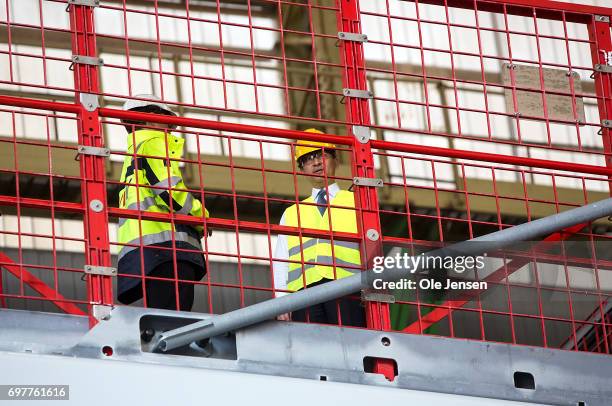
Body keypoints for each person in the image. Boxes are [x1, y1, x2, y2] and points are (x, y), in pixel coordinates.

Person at [116, 94, 209, 311]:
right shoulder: (153, 142)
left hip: (145, 251)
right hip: (167, 249)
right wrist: (201, 216)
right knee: (174, 321)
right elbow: (168, 190)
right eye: (165, 119)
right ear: (148, 119)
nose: (170, 126)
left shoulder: (132, 154)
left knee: (161, 315)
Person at [273, 129, 365, 326]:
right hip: (303, 295)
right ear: (301, 169)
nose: (316, 162)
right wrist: (281, 301)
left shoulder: (358, 203)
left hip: (348, 289)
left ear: (336, 161)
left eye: (321, 155)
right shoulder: (291, 213)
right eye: (308, 159)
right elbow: (281, 261)